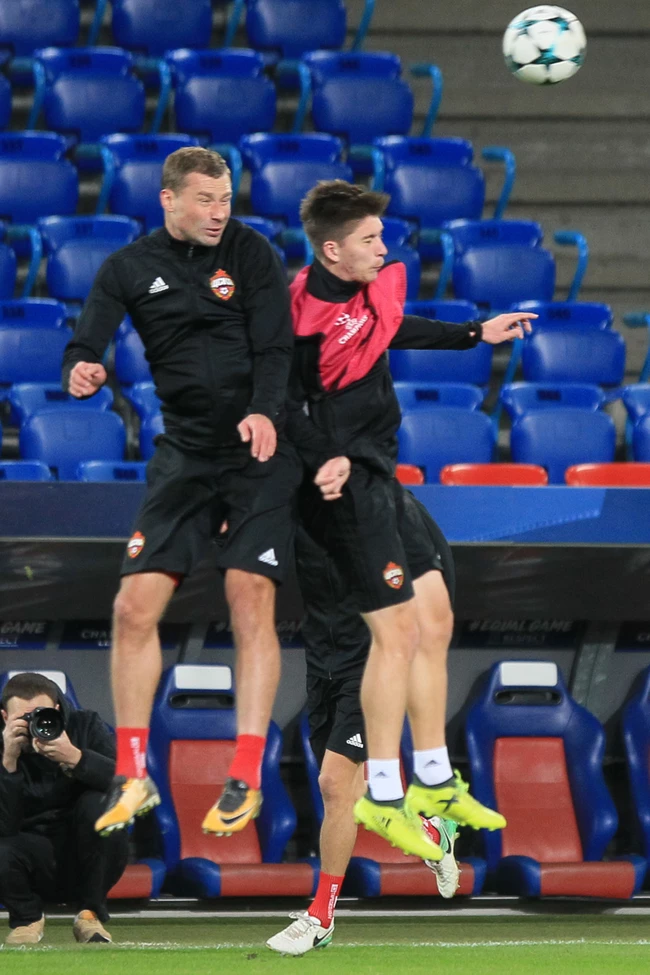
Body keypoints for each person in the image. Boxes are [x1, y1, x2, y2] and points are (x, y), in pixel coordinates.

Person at [286, 180, 536, 860]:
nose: (383, 247)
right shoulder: (298, 315)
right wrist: (319, 457)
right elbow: (273, 401)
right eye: (369, 239)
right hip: (345, 487)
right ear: (332, 250)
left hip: (382, 474)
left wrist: (474, 333)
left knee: (437, 617)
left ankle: (434, 779)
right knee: (395, 633)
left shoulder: (367, 295)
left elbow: (392, 325)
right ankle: (383, 790)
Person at [62, 147, 301, 838]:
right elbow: (86, 342)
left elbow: (277, 347)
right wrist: (83, 369)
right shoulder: (128, 267)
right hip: (186, 455)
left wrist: (264, 411)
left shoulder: (250, 253)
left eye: (225, 199)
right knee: (132, 608)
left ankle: (246, 773)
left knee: (248, 595)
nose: (219, 212)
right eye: (204, 199)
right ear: (168, 199)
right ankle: (133, 773)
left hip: (258, 452)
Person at [267, 520, 461, 956]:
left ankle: (320, 917)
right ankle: (432, 834)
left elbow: (438, 577)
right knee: (354, 797)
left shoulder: (391, 510)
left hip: (375, 665)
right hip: (322, 664)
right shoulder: (298, 508)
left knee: (333, 784)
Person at [0, 673, 128, 946]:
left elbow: (127, 784)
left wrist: (75, 757)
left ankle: (89, 915)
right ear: (4, 717)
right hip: (27, 855)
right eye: (24, 719)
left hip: (85, 851)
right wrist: (8, 761)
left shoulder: (85, 725)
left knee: (103, 806)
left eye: (42, 715)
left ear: (57, 709)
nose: (35, 725)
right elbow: (4, 825)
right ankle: (27, 919)